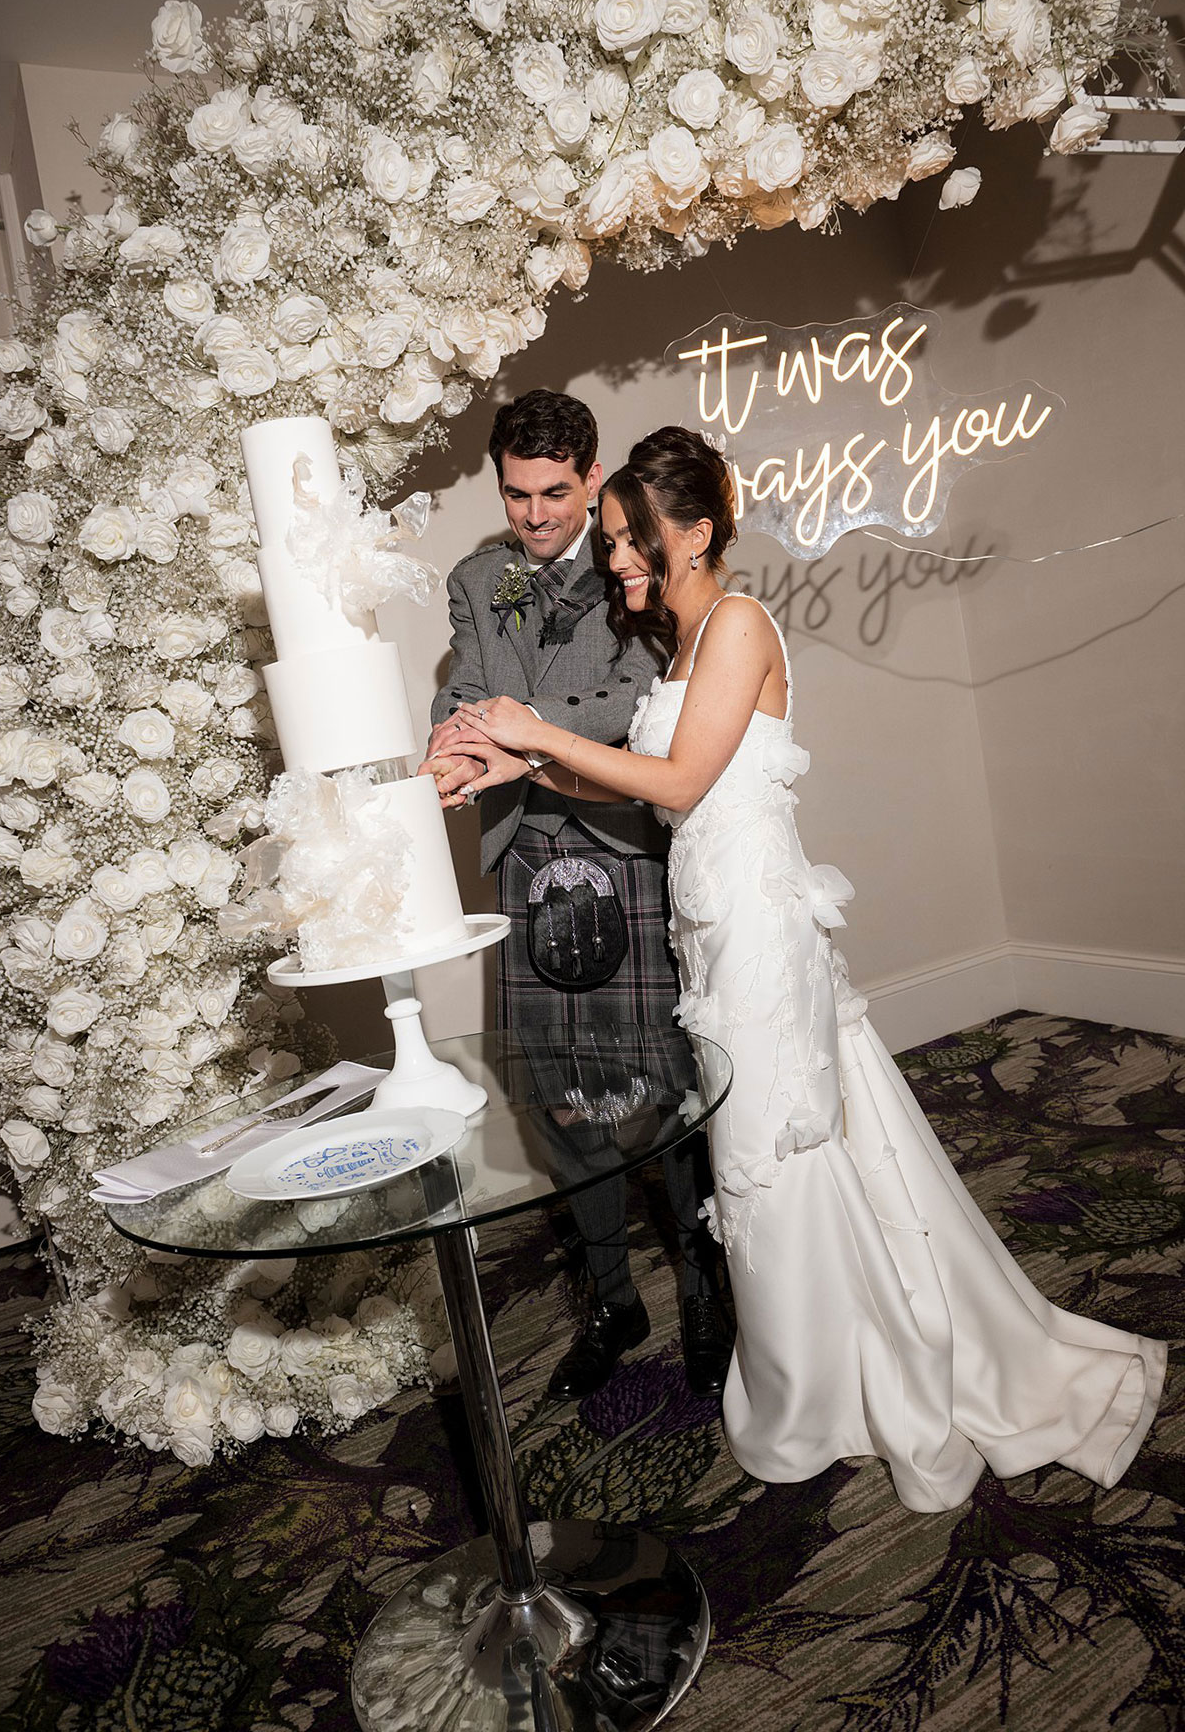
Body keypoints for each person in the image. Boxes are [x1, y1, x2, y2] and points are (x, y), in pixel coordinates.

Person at [445, 424, 1167, 1512]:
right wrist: (521, 764)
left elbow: (683, 780)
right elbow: (642, 782)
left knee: (766, 1150)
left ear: (696, 530)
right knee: (776, 1142)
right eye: (611, 540)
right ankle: (822, 1365)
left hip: (760, 932)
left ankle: (822, 1391)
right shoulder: (678, 647)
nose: (616, 559)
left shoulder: (736, 625)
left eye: (634, 538)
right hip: (713, 926)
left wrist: (536, 729)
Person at [419, 391, 731, 1400]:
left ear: (592, 479)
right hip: (522, 863)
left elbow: (644, 700)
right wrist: (459, 735)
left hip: (621, 848)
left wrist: (520, 728)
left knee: (660, 1085)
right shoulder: (475, 577)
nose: (538, 515)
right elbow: (464, 685)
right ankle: (611, 1297)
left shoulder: (630, 556)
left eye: (558, 492)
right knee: (555, 1094)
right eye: (518, 495)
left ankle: (700, 1284)